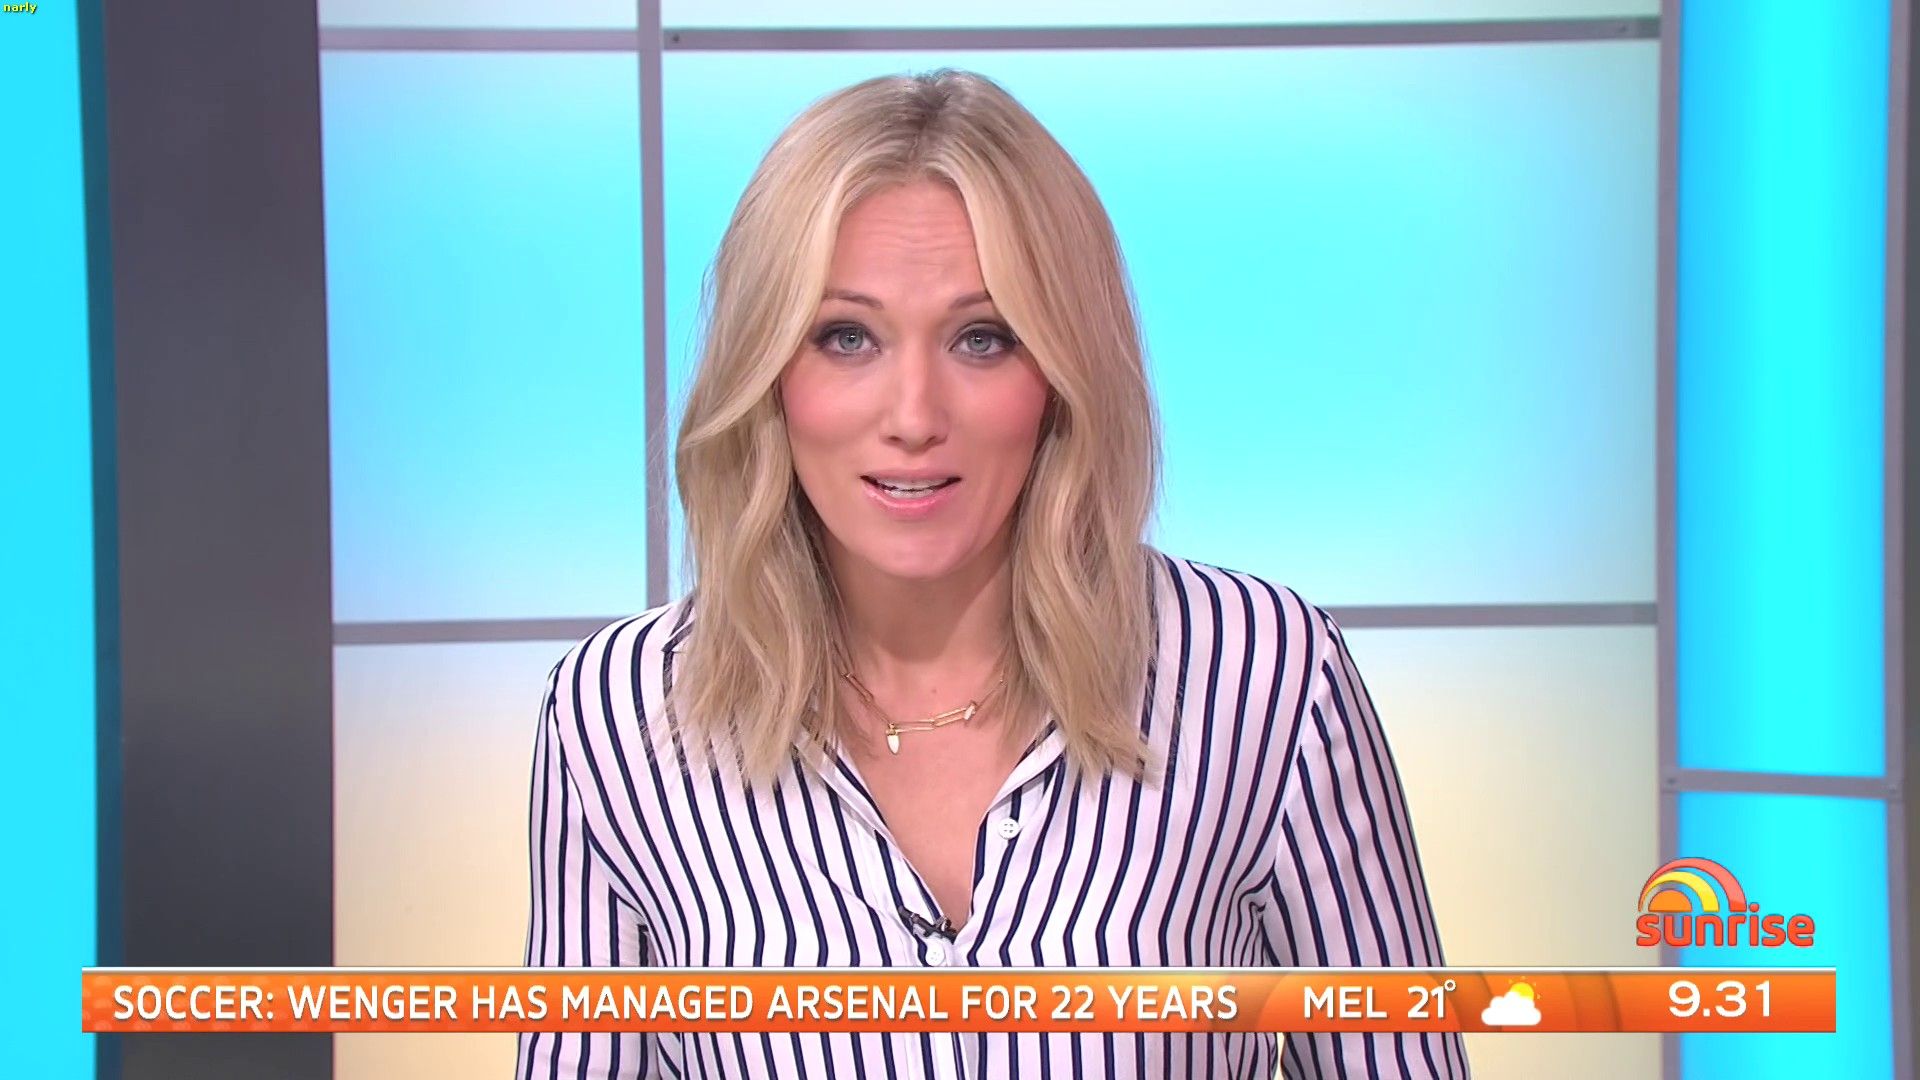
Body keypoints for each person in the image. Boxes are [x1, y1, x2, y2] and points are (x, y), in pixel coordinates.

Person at [516, 68, 1467, 1079]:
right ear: (767, 375)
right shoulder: (617, 718)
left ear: (1060, 372)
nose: (915, 416)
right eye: (846, 338)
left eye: (983, 339)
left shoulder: (1266, 677)